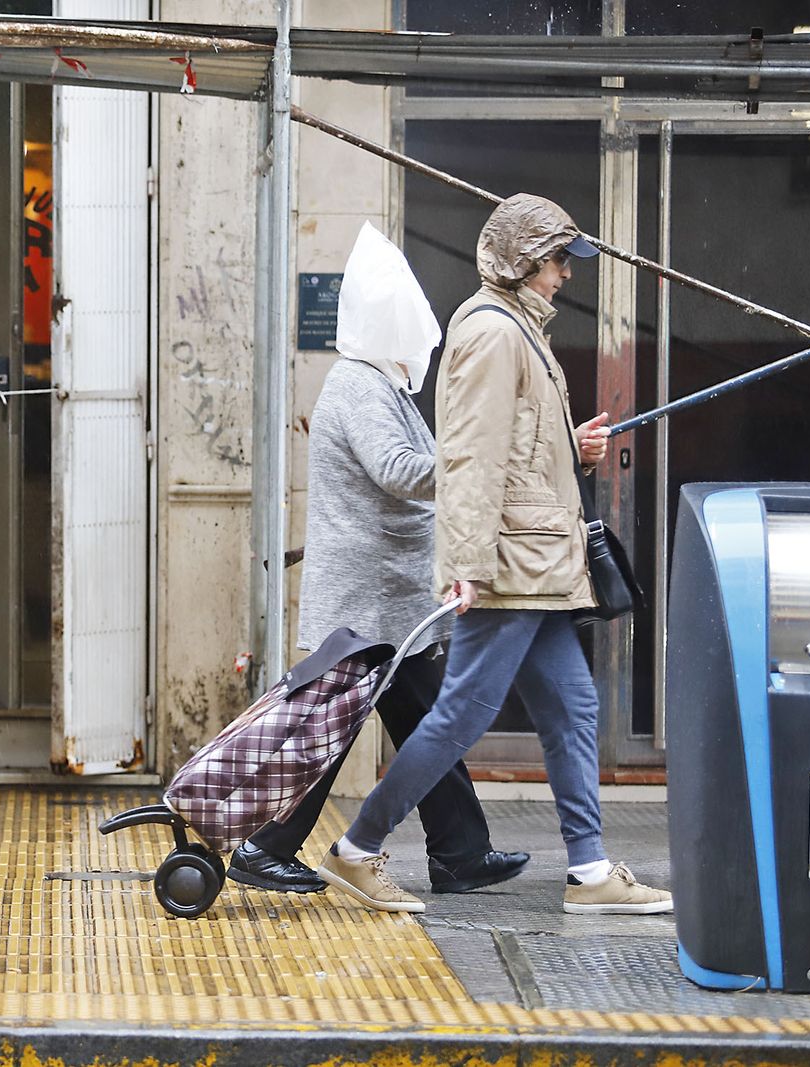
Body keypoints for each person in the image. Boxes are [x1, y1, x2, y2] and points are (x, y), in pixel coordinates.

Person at [315, 193, 672, 916]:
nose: (564, 274)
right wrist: (467, 563)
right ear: (519, 261)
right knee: (458, 719)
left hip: (538, 567)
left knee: (573, 707)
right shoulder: (490, 333)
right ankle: (356, 849)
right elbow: (471, 459)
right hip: (508, 566)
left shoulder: (520, 332)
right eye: (554, 260)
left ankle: (591, 868)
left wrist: (572, 446)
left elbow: (513, 449)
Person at [228, 223, 529, 897]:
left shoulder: (382, 386)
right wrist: (471, 463)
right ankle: (263, 846)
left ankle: (460, 850)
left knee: (428, 724)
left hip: (394, 601)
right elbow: (397, 470)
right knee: (334, 733)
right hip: (367, 605)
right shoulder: (359, 385)